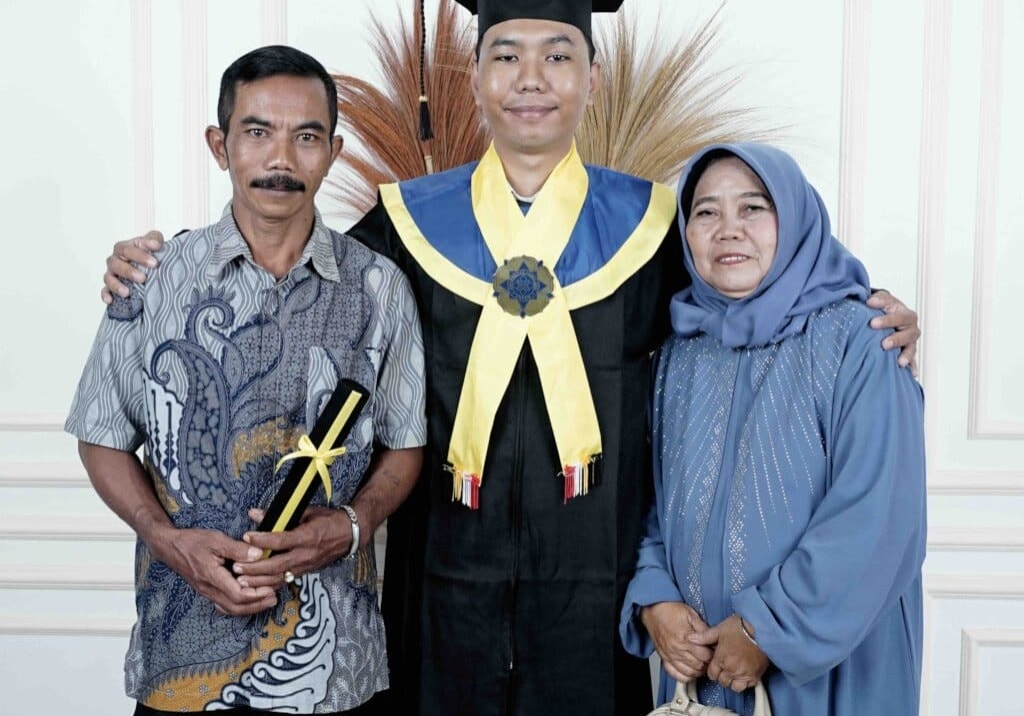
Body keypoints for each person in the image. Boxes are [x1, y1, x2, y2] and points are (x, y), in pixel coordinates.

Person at [99, 3, 922, 714]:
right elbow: (291, 272)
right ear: (477, 78)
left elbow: (753, 284)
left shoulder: (655, 229)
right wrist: (160, 260)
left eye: (558, 56)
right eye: (506, 56)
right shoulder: (407, 227)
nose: (532, 78)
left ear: (591, 80)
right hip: (442, 594)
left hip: (603, 609)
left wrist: (866, 308)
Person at [66, 45, 426, 715]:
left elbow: (405, 445)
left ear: (334, 150)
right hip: (181, 665)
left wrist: (353, 523)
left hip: (338, 670)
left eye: (307, 136)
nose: (281, 158)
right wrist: (166, 539)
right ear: (220, 143)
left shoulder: (381, 287)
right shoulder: (153, 277)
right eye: (257, 132)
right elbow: (101, 433)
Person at [619, 143, 926, 716]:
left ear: (796, 217)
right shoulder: (680, 352)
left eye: (754, 208)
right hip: (699, 671)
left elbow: (879, 515)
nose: (728, 230)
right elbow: (654, 503)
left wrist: (766, 629)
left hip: (831, 671)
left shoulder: (863, 340)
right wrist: (655, 597)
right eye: (706, 212)